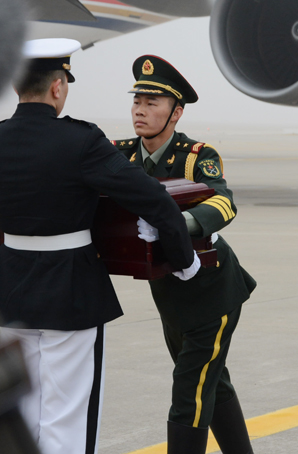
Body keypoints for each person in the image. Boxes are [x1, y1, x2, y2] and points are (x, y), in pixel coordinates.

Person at [0, 39, 199, 454]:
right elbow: (155, 201)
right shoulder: (81, 140)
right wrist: (185, 261)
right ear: (58, 87)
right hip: (69, 291)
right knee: (65, 419)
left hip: (7, 289)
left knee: (17, 415)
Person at [112, 55, 256, 454]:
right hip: (169, 293)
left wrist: (176, 226)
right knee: (211, 380)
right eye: (137, 100)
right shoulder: (121, 155)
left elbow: (223, 204)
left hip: (212, 290)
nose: (140, 110)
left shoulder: (196, 156)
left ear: (175, 113)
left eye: (152, 102)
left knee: (188, 393)